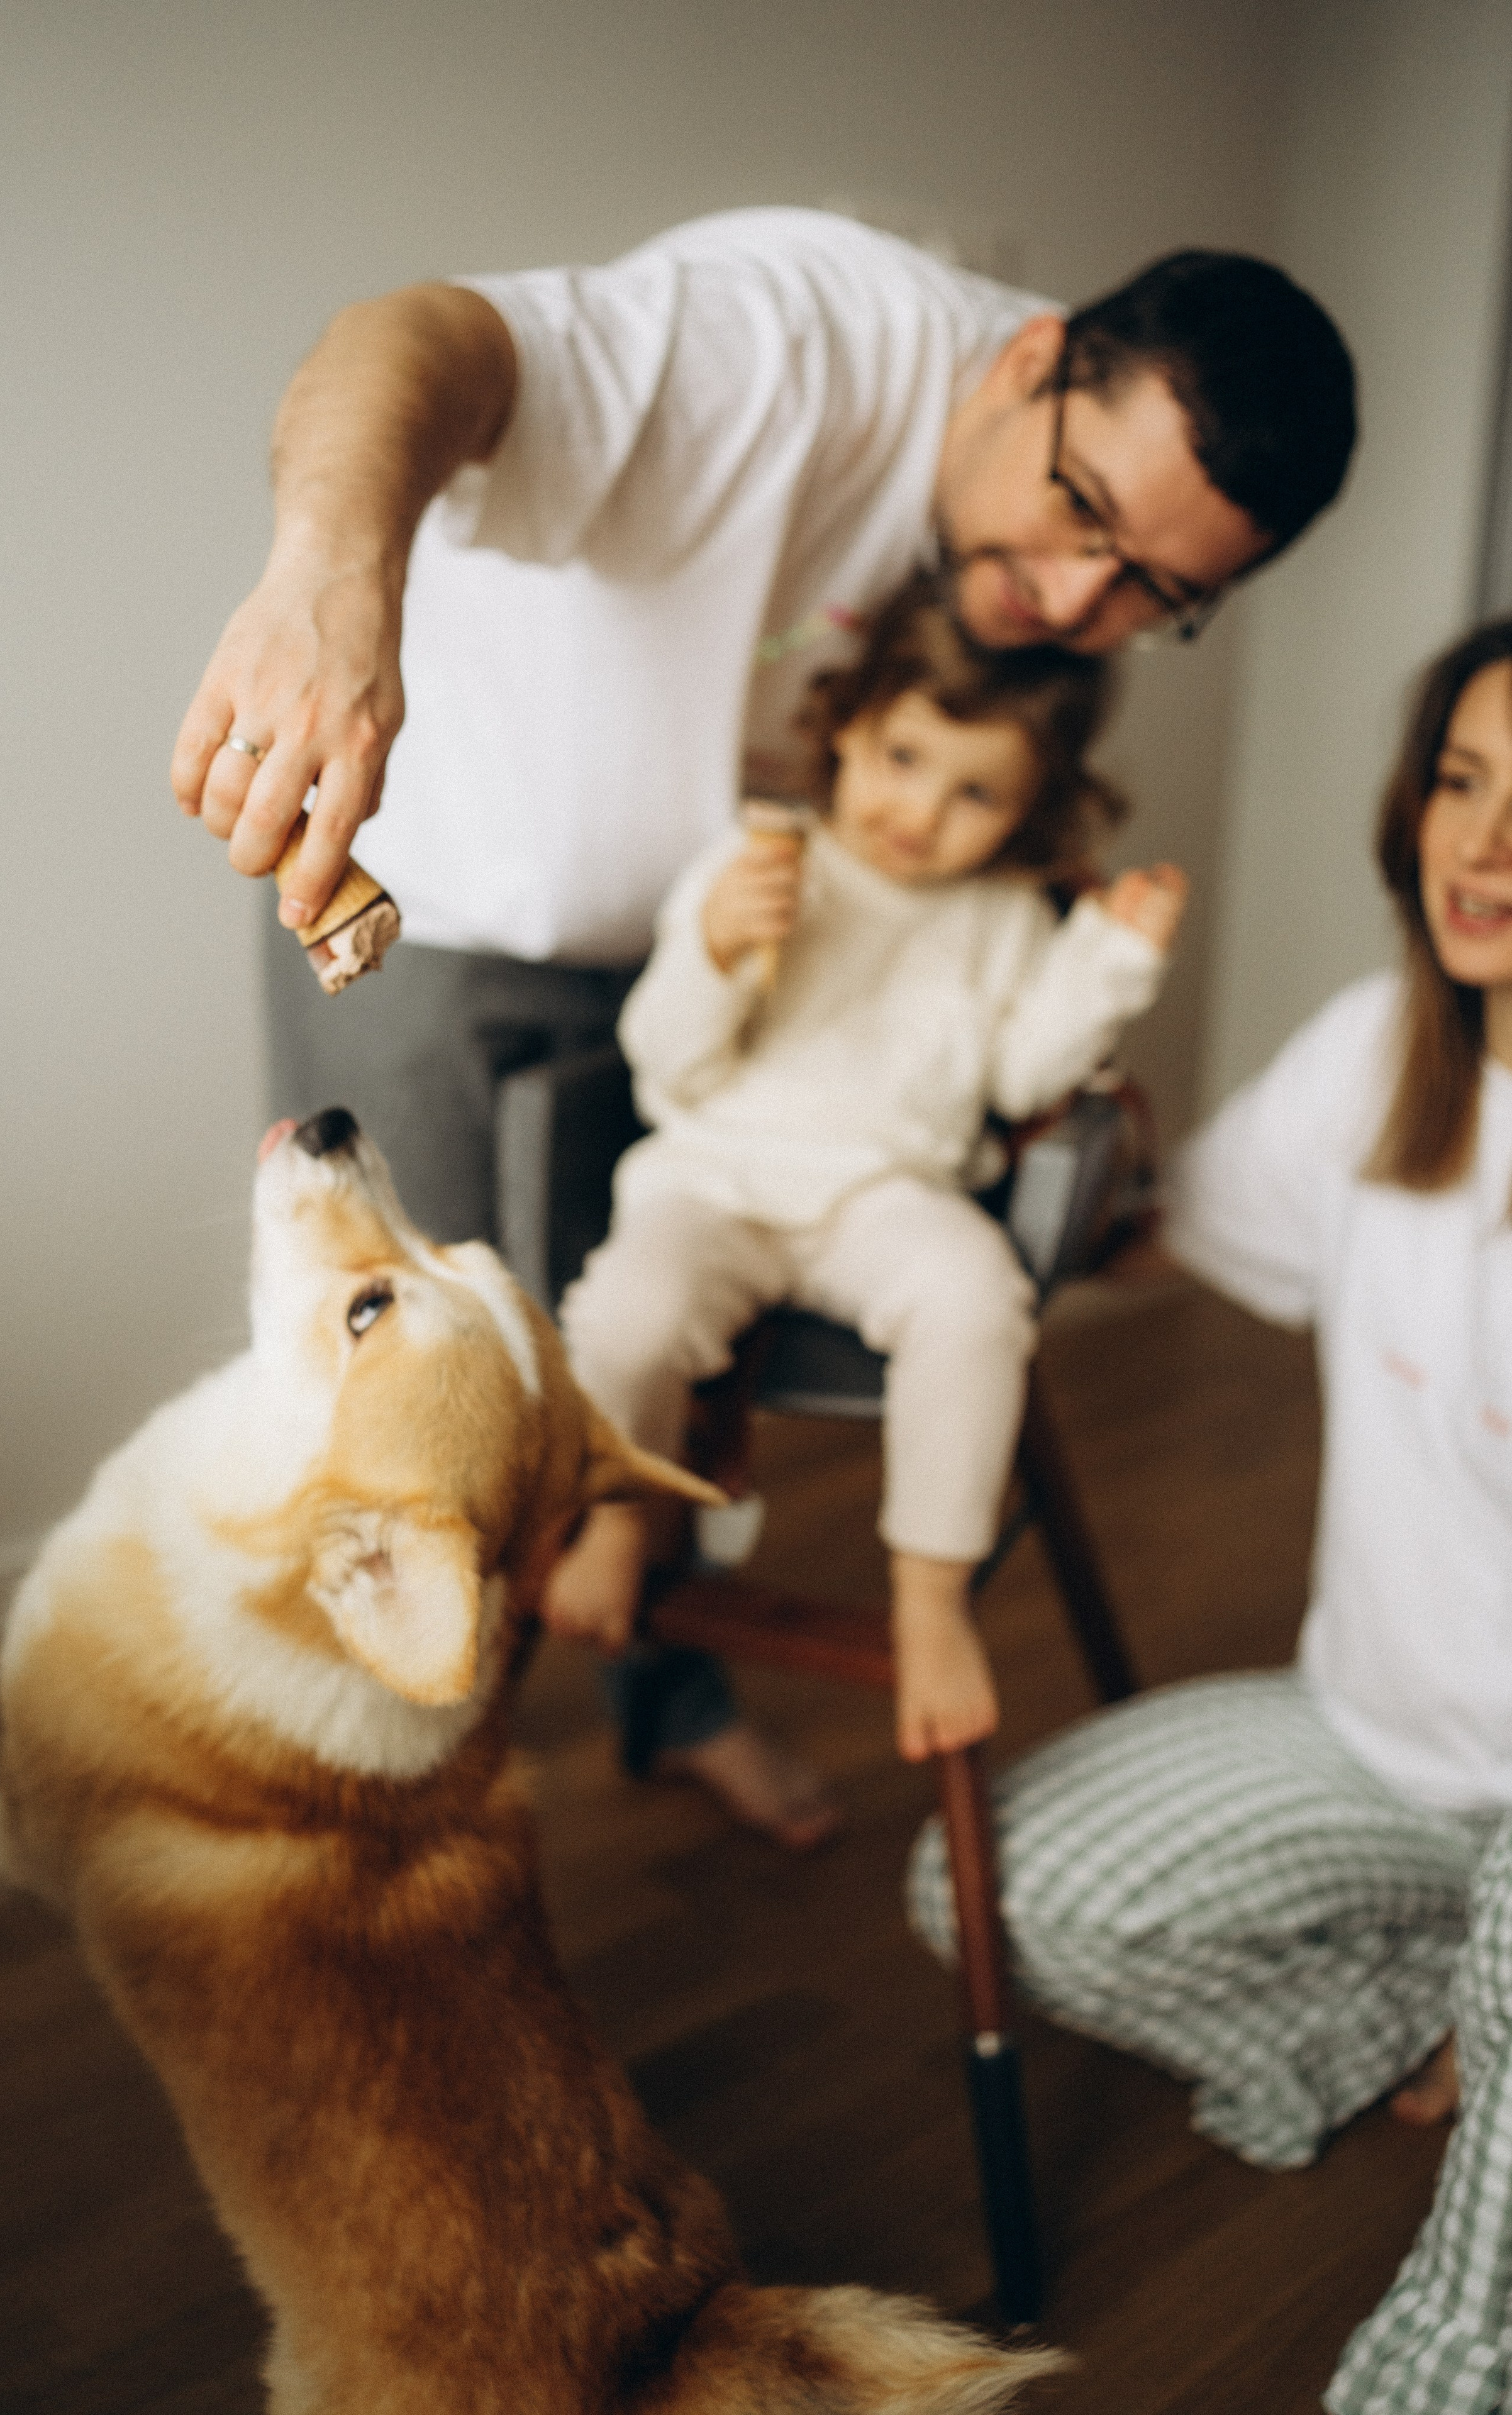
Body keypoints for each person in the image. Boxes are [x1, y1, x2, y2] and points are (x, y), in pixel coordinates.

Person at [170, 206, 1355, 1840]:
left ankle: (672, 1695)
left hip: (716, 990)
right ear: (1028, 363)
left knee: (654, 1398)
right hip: (451, 922)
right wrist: (327, 590)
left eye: (1155, 590)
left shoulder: (1051, 572)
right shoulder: (794, 344)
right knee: (416, 1423)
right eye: (1080, 510)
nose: (1078, 595)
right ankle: (371, 1828)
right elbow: (408, 340)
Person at [906, 616, 1512, 2412]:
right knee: (989, 1894)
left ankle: (1447, 2369)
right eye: (1462, 785)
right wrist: (1003, 1133)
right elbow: (1155, 1224)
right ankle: (1434, 2008)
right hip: (1384, 1752)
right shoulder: (1376, 1057)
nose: (1482, 847)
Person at [545, 573, 1186, 1802]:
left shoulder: (1004, 918)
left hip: (884, 1194)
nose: (919, 813)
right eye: (900, 758)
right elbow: (666, 1059)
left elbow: (1017, 1076)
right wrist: (717, 949)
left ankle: (929, 1593)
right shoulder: (761, 863)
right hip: (712, 1177)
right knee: (627, 1316)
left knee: (972, 1298)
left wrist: (1105, 963)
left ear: (1028, 805)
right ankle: (622, 1519)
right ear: (844, 728)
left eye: (973, 793)